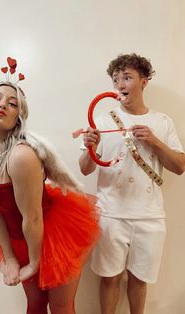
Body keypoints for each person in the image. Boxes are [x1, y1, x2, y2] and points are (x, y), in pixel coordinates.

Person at [0, 69, 100, 313]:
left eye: (12, 104)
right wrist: (9, 257)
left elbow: (32, 218)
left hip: (51, 232)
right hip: (20, 236)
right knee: (36, 304)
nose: (2, 105)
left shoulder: (21, 156)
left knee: (60, 307)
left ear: (17, 119)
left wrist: (35, 262)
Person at [79, 53, 185, 314]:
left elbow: (180, 166)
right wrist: (89, 147)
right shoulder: (102, 121)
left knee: (139, 281)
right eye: (116, 79)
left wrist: (155, 142)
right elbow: (85, 168)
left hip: (150, 216)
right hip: (111, 214)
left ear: (144, 82)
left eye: (127, 77)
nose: (121, 84)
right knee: (109, 278)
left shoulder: (162, 122)